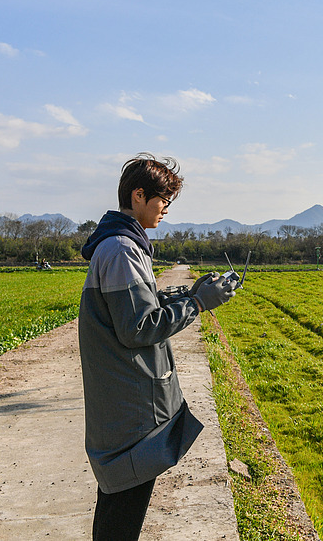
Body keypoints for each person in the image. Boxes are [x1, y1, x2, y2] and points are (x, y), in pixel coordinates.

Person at [78, 153, 237, 540]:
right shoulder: (122, 250)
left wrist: (186, 294)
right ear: (138, 195)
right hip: (129, 405)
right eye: (163, 200)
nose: (166, 209)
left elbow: (133, 309)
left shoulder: (120, 244)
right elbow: (138, 327)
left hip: (121, 398)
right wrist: (197, 304)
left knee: (117, 504)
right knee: (121, 512)